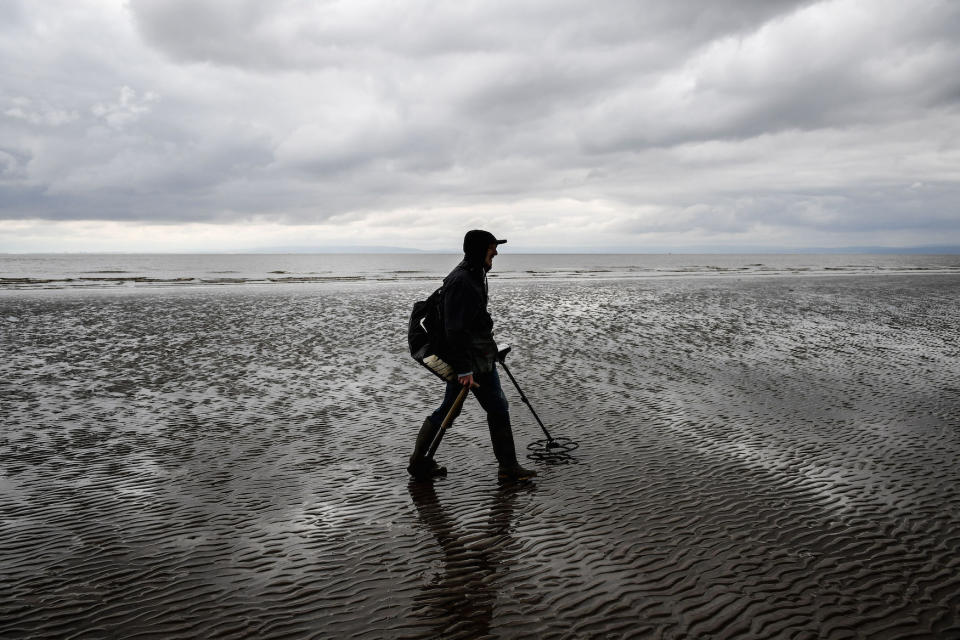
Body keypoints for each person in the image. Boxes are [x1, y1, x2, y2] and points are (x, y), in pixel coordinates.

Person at [407, 230, 538, 482]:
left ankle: (420, 463)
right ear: (480, 251)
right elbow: (454, 330)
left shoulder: (474, 274)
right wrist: (465, 369)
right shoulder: (463, 281)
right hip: (468, 360)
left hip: (477, 355)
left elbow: (474, 322)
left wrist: (490, 349)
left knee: (465, 408)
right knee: (486, 407)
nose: (496, 253)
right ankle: (507, 468)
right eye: (492, 249)